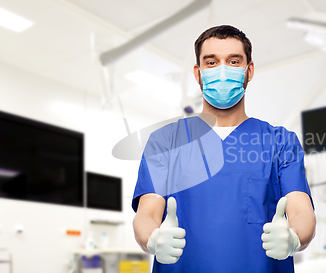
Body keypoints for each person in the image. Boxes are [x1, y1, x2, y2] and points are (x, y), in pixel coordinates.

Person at [132, 25, 316, 273]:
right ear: (198, 73)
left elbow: (302, 211)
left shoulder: (280, 142)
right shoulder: (165, 142)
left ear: (248, 71)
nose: (222, 70)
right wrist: (152, 239)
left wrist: (295, 237)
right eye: (211, 62)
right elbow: (146, 214)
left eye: (233, 61)